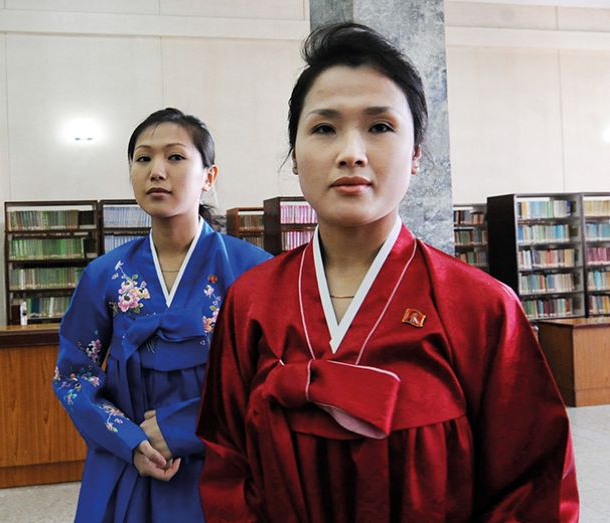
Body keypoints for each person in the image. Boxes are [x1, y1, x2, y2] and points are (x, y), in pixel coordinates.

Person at [197, 22, 579, 522]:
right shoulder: (251, 302)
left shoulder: (480, 307)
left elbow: (533, 487)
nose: (350, 152)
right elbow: (228, 466)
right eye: (324, 128)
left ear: (417, 155)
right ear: (294, 156)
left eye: (379, 127)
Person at [53, 108, 271, 522]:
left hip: (223, 461)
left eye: (174, 157)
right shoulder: (104, 275)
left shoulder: (253, 271)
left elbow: (274, 377)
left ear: (209, 176)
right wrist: (131, 441)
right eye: (143, 158)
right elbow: (74, 375)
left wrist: (183, 426)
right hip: (129, 461)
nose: (156, 171)